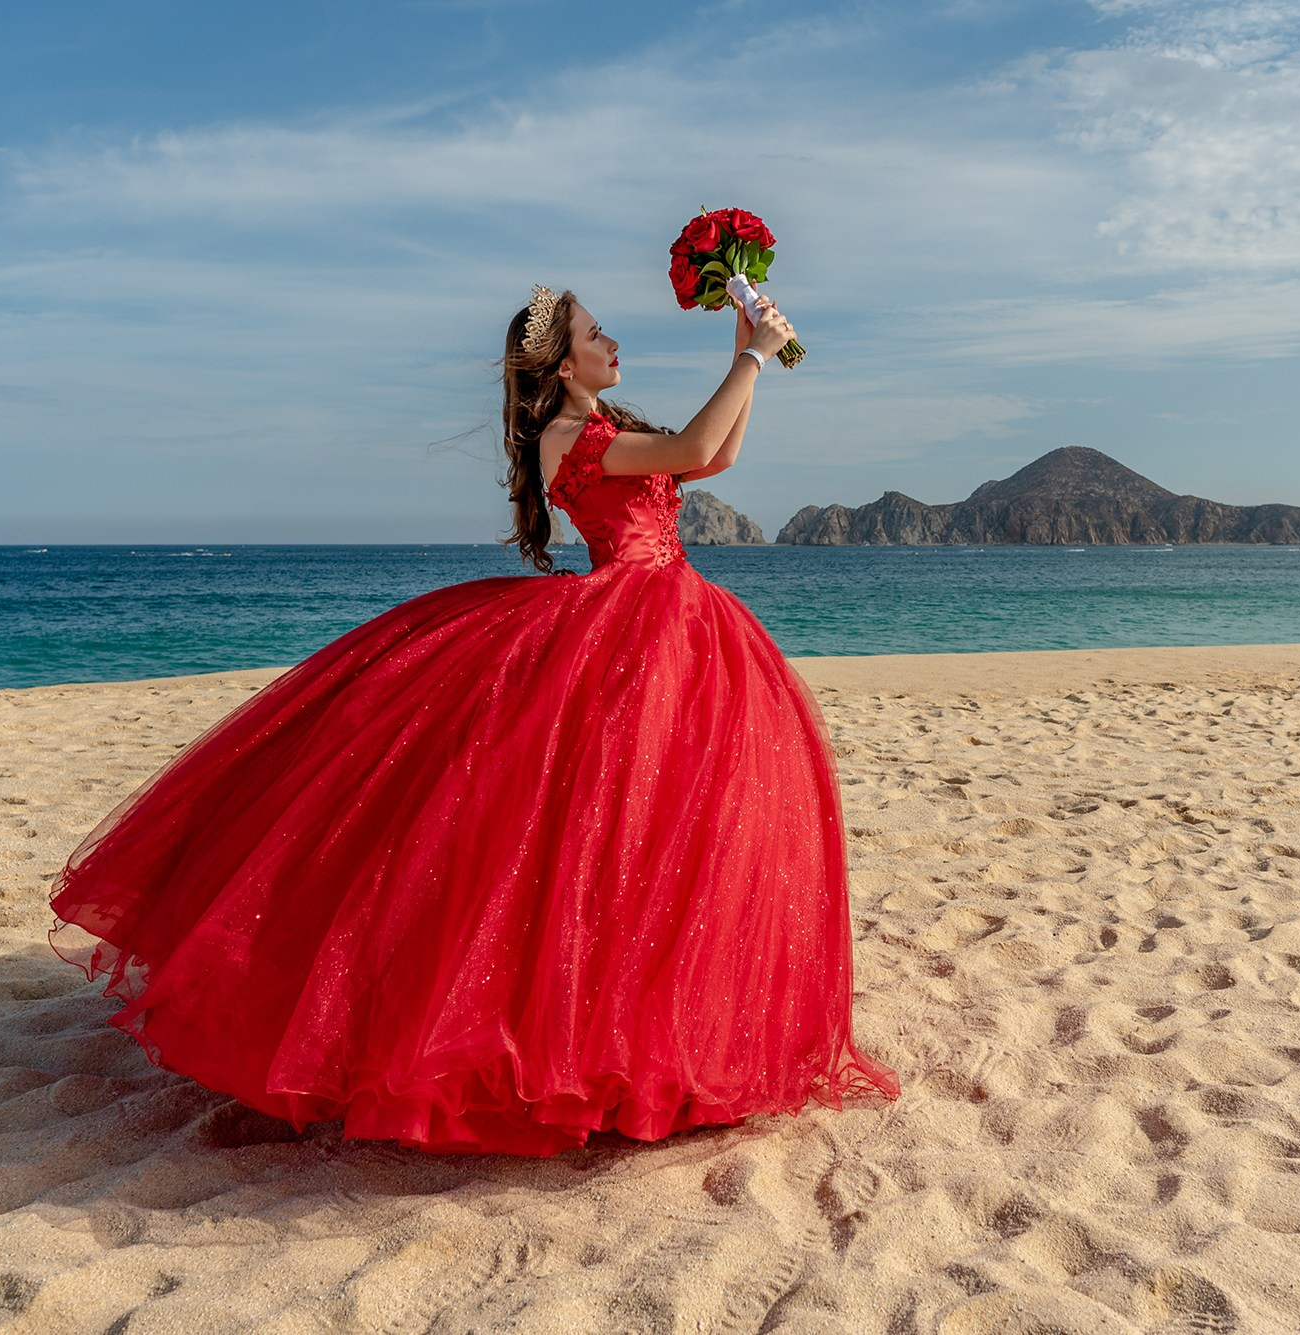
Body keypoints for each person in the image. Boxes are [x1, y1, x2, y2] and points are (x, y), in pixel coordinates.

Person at [46, 282, 899, 1156]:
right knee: (582, 836)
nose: (614, 342)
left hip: (673, 619)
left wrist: (742, 361)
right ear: (564, 364)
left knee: (661, 830)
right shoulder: (564, 434)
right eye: (596, 333)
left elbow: (708, 460)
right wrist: (754, 355)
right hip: (632, 618)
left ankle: (647, 1031)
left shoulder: (603, 427)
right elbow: (692, 442)